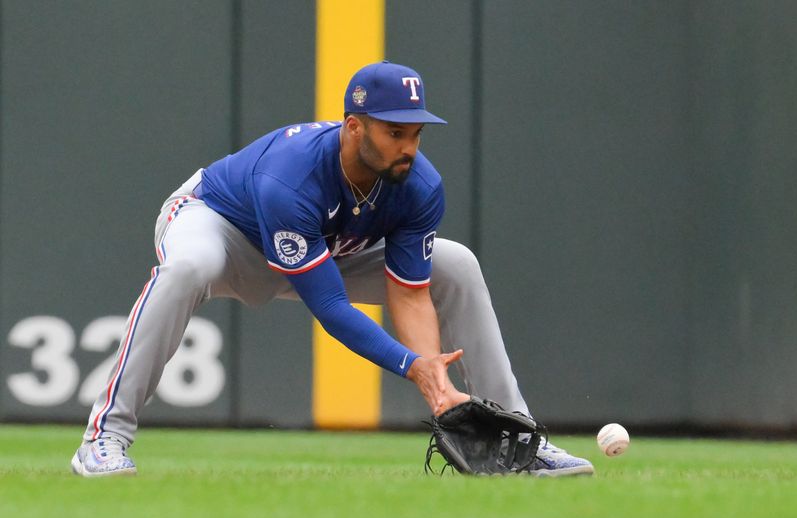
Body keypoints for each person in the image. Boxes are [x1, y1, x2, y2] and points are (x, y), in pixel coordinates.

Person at [71, 61, 594, 477]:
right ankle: (104, 438)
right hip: (222, 228)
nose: (408, 147)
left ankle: (523, 442)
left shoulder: (418, 186)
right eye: (394, 132)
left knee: (454, 265)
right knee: (187, 267)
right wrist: (411, 366)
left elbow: (411, 293)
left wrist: (436, 380)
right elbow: (330, 307)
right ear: (353, 126)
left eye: (416, 133)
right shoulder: (293, 177)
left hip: (322, 248)